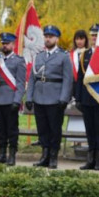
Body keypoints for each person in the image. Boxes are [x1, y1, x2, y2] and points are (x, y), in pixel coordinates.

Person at [25, 25, 72, 168]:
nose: (48, 39)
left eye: (51, 36)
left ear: (57, 39)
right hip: (39, 97)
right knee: (42, 129)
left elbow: (67, 79)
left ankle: (53, 157)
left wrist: (64, 98)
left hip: (55, 98)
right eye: (46, 36)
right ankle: (44, 155)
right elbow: (33, 78)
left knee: (54, 129)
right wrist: (29, 97)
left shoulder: (64, 56)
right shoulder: (39, 56)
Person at [0, 32, 27, 165]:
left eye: (7, 44)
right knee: (0, 128)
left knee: (11, 129)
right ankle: (1, 153)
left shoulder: (19, 60)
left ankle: (12, 154)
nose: (4, 46)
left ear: (13, 45)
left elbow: (21, 83)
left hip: (11, 98)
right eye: (3, 43)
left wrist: (17, 100)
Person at [71, 28, 99, 170]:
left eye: (97, 35)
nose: (94, 37)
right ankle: (90, 158)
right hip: (86, 98)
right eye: (92, 35)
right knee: (90, 129)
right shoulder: (85, 54)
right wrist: (78, 98)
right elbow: (80, 78)